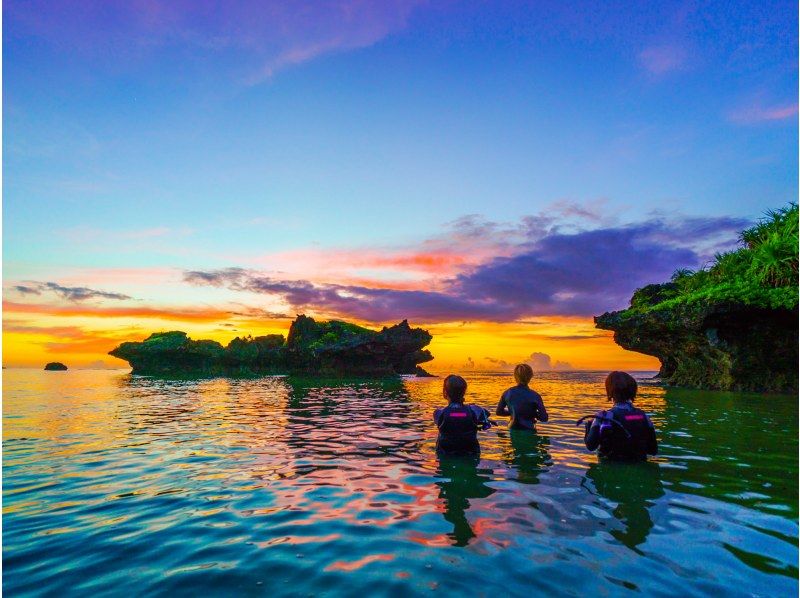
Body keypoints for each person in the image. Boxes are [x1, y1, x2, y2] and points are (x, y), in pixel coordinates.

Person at [584, 371, 658, 460]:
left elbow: (590, 446)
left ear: (609, 391)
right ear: (633, 391)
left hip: (610, 468)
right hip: (639, 466)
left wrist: (590, 426)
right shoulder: (644, 417)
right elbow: (653, 450)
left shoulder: (604, 416)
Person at [434, 374, 493, 455]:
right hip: (471, 454)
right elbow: (485, 415)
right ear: (464, 392)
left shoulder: (438, 413)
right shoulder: (476, 410)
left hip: (446, 454)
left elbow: (455, 417)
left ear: (445, 393)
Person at [496, 363, 548, 430]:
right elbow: (544, 418)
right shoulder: (535, 396)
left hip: (512, 429)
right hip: (528, 430)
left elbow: (499, 412)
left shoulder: (507, 393)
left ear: (515, 376)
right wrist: (534, 414)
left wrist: (514, 412)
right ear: (530, 376)